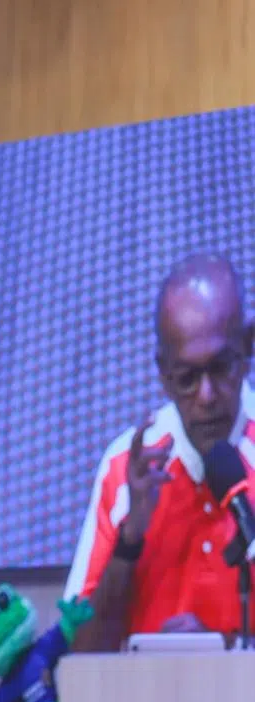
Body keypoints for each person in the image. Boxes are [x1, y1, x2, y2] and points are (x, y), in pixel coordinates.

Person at [65, 252, 255, 650]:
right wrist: (129, 539)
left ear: (248, 347)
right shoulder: (125, 467)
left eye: (221, 368)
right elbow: (77, 653)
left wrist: (223, 653)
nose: (206, 396)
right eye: (186, 378)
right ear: (163, 376)